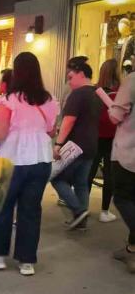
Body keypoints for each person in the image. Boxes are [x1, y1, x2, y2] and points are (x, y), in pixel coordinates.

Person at [0, 52, 58, 276]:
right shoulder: (48, 100)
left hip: (14, 159)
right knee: (31, 210)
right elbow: (51, 130)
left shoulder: (9, 100)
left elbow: (0, 133)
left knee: (3, 208)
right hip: (41, 159)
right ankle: (26, 262)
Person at [51, 56, 102, 231]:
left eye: (70, 77)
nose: (69, 81)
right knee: (81, 182)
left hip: (75, 145)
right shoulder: (97, 93)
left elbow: (68, 121)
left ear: (81, 74)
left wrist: (58, 144)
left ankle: (79, 210)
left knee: (57, 178)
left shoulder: (78, 94)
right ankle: (81, 220)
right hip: (91, 144)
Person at [108, 70, 135, 273]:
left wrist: (111, 107)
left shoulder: (132, 80)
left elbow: (116, 116)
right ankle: (131, 249)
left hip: (129, 151)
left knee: (123, 198)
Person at [89, 58, 120, 222]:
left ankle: (82, 208)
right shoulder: (121, 90)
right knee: (109, 174)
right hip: (113, 136)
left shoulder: (95, 89)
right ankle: (104, 211)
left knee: (90, 171)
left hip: (95, 135)